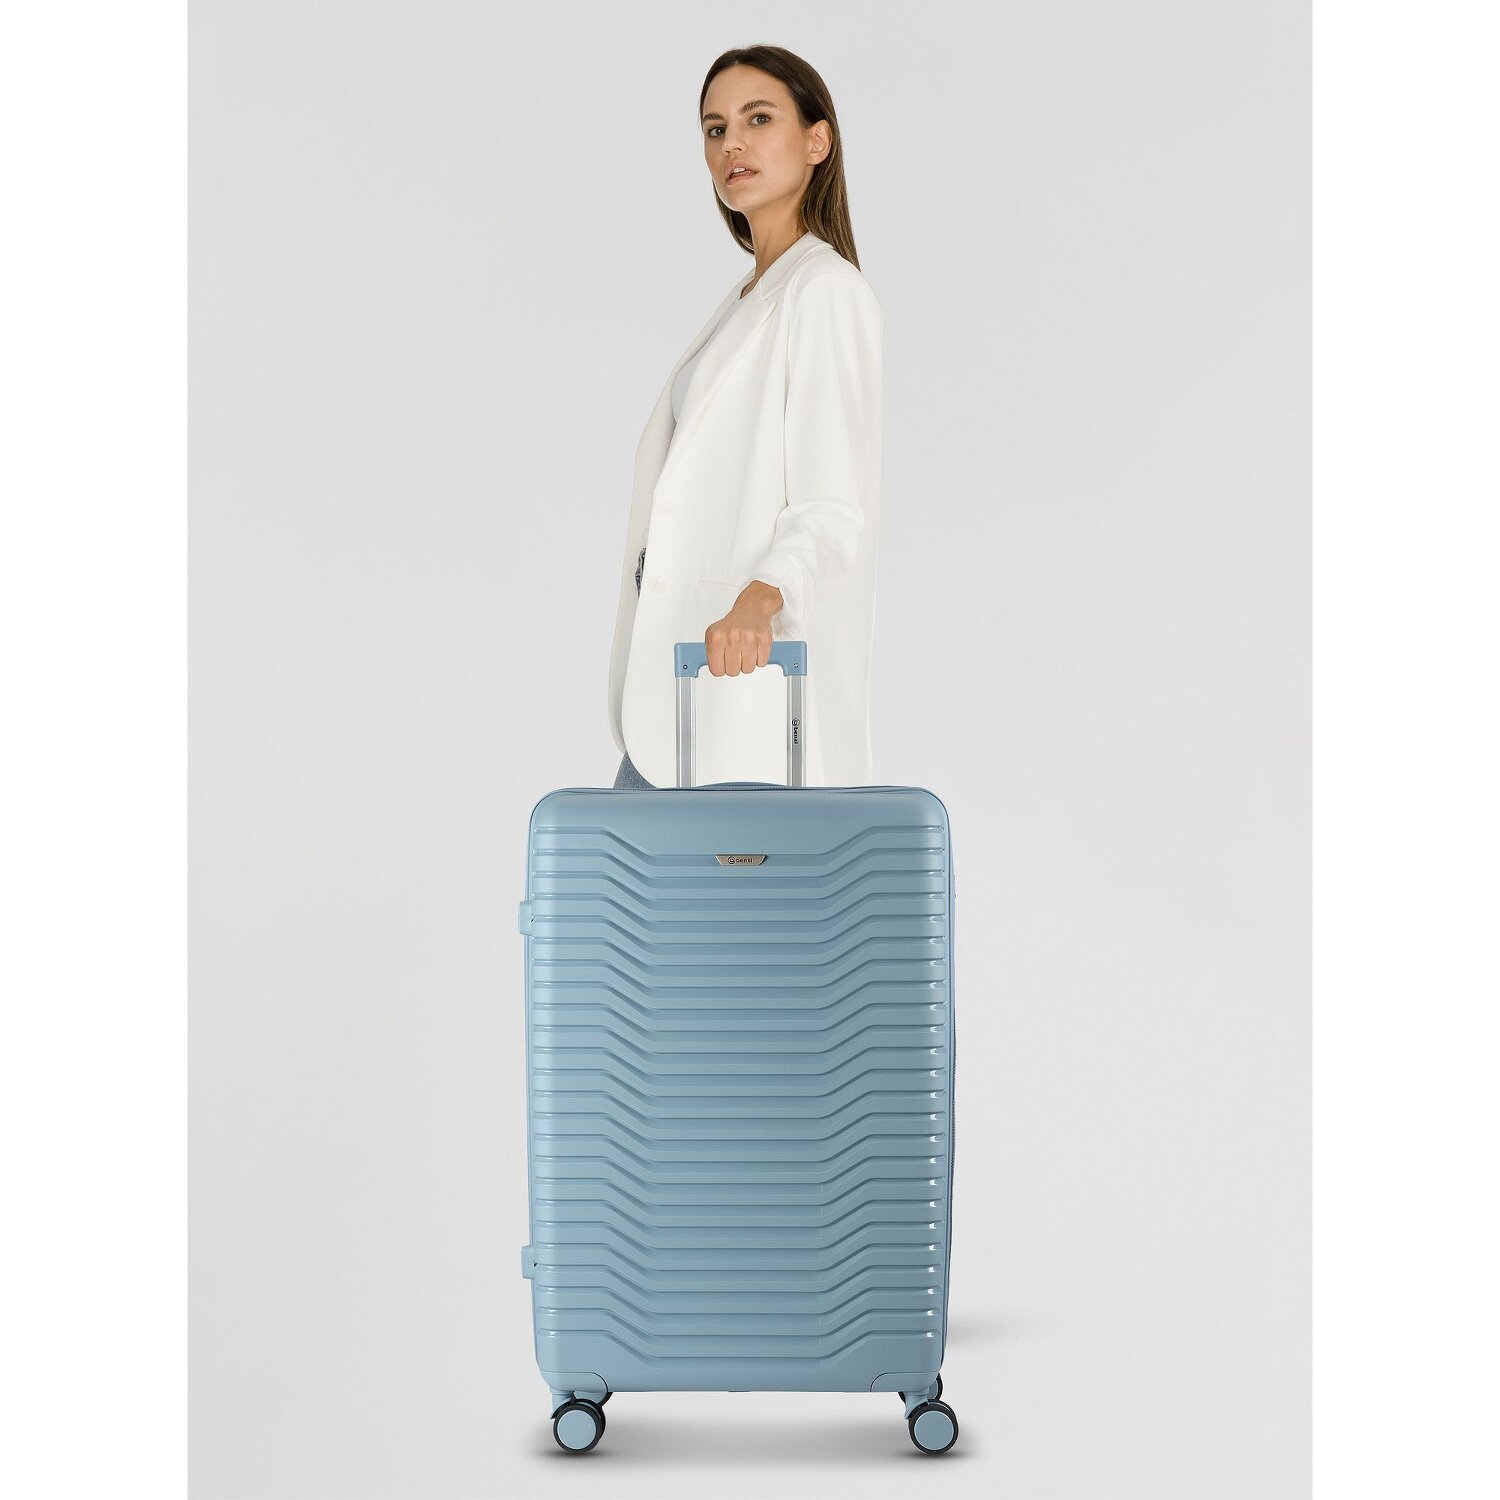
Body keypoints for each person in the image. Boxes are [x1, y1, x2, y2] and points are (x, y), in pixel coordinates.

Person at [608, 44, 884, 790]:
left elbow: (831, 507)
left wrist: (762, 598)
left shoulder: (824, 291)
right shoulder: (748, 298)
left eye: (759, 119)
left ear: (817, 141)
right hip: (680, 696)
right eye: (715, 128)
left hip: (746, 699)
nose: (732, 143)